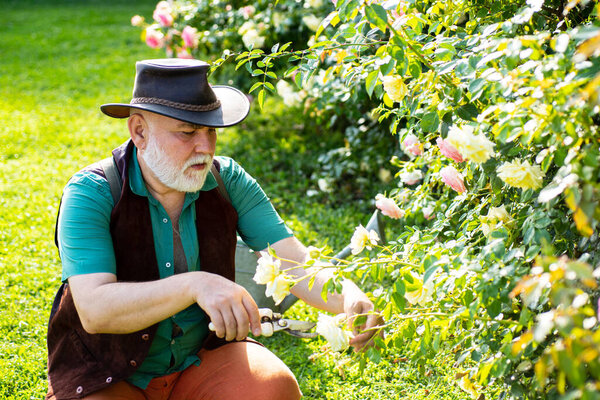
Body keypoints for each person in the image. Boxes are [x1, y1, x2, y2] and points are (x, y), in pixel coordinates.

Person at [46, 58, 381, 400]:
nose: (205, 147)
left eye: (210, 131)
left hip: (200, 358)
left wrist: (350, 297)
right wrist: (195, 285)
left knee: (274, 390)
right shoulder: (92, 192)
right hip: (106, 372)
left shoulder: (228, 179)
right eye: (187, 132)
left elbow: (293, 263)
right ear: (139, 131)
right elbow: (95, 310)